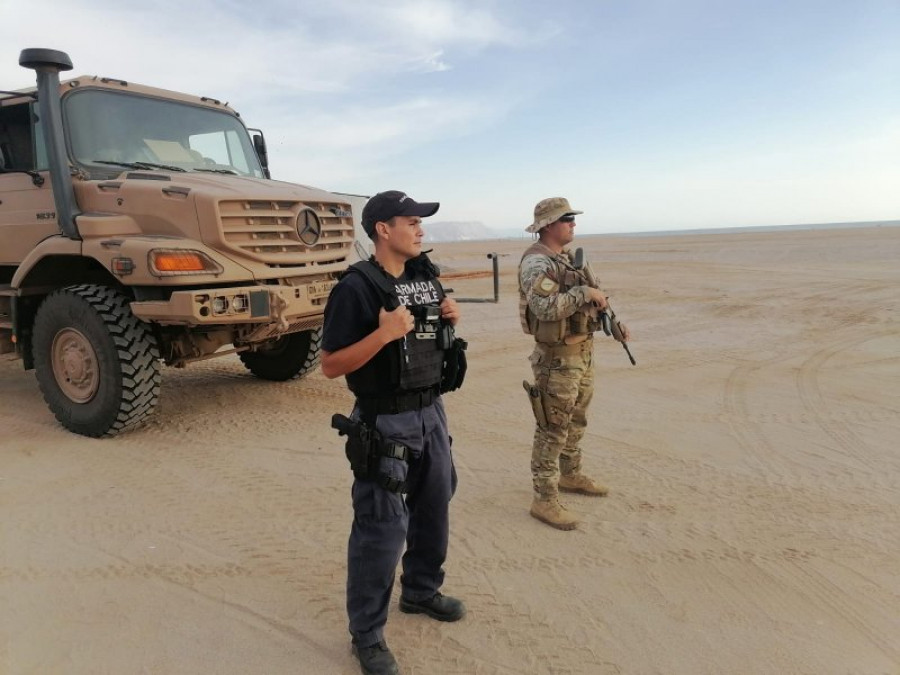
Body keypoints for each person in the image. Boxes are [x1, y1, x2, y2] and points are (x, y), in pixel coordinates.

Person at [321, 190, 466, 675]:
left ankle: (421, 592)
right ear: (384, 229)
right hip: (386, 419)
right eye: (412, 222)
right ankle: (366, 634)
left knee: (434, 505)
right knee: (381, 530)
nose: (421, 229)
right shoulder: (356, 288)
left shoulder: (424, 273)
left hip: (431, 410)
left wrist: (449, 316)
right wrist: (383, 334)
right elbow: (330, 365)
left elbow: (433, 327)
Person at [518, 197, 631, 530]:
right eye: (566, 218)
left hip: (581, 352)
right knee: (552, 428)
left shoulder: (569, 259)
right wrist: (583, 294)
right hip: (556, 359)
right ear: (548, 225)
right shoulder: (536, 263)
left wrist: (615, 324)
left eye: (572, 218)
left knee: (576, 419)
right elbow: (545, 310)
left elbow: (599, 296)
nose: (572, 224)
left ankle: (570, 475)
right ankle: (544, 499)